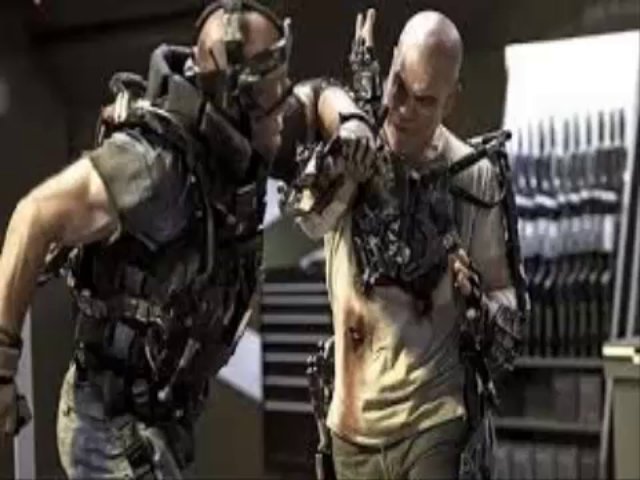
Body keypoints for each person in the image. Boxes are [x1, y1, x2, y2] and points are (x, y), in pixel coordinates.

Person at [0, 0, 321, 477]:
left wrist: (351, 120)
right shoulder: (154, 166)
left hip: (165, 419)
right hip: (108, 426)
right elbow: (34, 215)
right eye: (270, 88)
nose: (284, 105)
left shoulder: (239, 150)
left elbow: (316, 100)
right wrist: (3, 367)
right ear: (234, 97)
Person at [281, 9, 527, 480]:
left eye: (424, 100)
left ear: (450, 100)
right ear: (390, 63)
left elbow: (507, 302)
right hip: (353, 419)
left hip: (434, 416)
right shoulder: (353, 144)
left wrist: (476, 302)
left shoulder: (472, 176)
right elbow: (310, 218)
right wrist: (349, 168)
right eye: (398, 88)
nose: (404, 110)